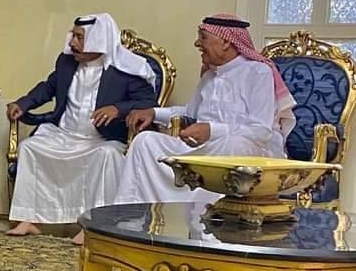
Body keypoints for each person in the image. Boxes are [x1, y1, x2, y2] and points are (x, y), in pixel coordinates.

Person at [6, 14, 157, 244]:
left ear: (98, 39)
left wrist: (118, 109)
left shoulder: (126, 68)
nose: (72, 43)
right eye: (73, 35)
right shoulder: (66, 62)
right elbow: (48, 87)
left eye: (79, 37)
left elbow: (148, 103)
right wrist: (23, 103)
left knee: (107, 156)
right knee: (30, 147)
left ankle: (94, 226)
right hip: (65, 134)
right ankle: (30, 218)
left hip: (101, 138)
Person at [115, 14, 296, 205]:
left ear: (226, 42)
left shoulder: (258, 72)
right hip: (205, 150)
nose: (197, 43)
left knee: (234, 145)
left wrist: (212, 131)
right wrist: (153, 113)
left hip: (247, 153)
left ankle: (210, 216)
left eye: (203, 37)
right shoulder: (210, 75)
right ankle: (132, 212)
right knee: (145, 142)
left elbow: (261, 131)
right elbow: (189, 113)